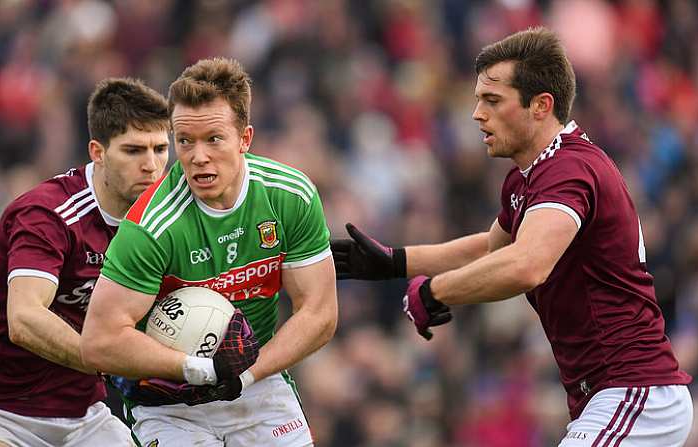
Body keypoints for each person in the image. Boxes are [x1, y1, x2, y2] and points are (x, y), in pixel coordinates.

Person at [332, 27, 693, 447]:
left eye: (492, 100)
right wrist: (399, 261)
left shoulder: (568, 169)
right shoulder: (530, 177)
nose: (476, 114)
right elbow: (492, 249)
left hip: (636, 394)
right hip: (615, 397)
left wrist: (437, 291)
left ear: (541, 106)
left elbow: (527, 265)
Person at [80, 57, 337, 447]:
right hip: (168, 404)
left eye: (214, 139)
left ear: (245, 139)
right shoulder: (151, 226)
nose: (198, 156)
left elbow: (319, 313)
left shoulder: (290, 197)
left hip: (260, 386)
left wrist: (246, 374)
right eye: (184, 141)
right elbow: (98, 340)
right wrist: (195, 368)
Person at [0, 78, 172, 447]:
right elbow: (24, 319)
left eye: (160, 149)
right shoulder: (47, 214)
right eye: (133, 151)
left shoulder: (162, 218)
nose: (151, 165)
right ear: (98, 151)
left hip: (83, 417)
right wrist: (111, 360)